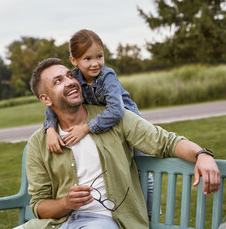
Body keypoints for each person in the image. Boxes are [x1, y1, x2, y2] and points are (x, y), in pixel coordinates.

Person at [14, 58, 220, 229]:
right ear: (45, 99)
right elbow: (39, 205)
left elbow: (165, 142)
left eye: (69, 75)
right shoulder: (38, 143)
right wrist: (66, 203)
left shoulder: (114, 118)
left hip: (103, 222)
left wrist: (202, 154)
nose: (69, 81)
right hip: (55, 224)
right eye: (58, 81)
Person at [44, 29, 155, 216]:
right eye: (87, 59)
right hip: (110, 132)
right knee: (121, 171)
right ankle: (128, 214)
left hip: (130, 127)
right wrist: (50, 129)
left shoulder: (107, 77)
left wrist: (86, 128)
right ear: (74, 60)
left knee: (143, 171)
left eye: (99, 56)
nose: (95, 63)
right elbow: (55, 104)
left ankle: (152, 215)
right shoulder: (74, 78)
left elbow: (116, 110)